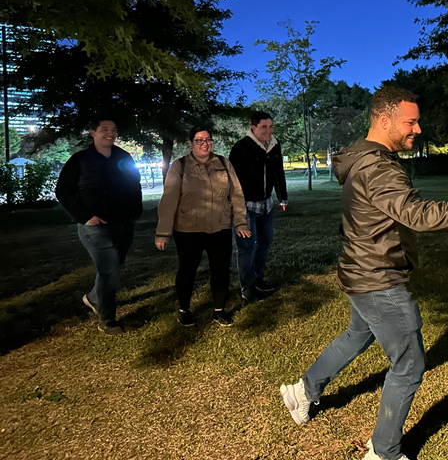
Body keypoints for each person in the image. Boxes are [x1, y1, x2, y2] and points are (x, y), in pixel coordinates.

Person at [279, 86, 448, 460]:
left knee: (356, 336)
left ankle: (302, 392)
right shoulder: (380, 167)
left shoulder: (363, 159)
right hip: (378, 278)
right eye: (411, 122)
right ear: (384, 120)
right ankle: (383, 451)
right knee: (411, 363)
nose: (417, 129)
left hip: (358, 270)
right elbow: (420, 215)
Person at [155, 126, 251, 327]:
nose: (204, 144)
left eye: (208, 140)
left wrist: (241, 221)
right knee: (187, 270)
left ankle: (219, 310)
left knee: (221, 270)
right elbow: (169, 200)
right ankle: (184, 310)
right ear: (191, 143)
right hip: (188, 229)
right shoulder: (180, 166)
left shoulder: (224, 164)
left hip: (220, 227)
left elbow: (237, 194)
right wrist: (163, 232)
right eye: (199, 140)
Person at [56, 119, 142, 335]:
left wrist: (135, 212)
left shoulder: (123, 156)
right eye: (104, 130)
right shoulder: (80, 160)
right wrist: (85, 217)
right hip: (95, 226)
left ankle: (94, 298)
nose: (110, 134)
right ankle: (108, 319)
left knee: (115, 266)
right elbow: (63, 191)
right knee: (109, 268)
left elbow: (134, 184)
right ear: (92, 132)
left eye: (114, 129)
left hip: (123, 222)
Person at [229, 111, 288, 301]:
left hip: (266, 205)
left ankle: (259, 278)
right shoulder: (241, 148)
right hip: (246, 206)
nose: (269, 131)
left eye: (271, 127)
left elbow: (278, 171)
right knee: (246, 246)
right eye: (264, 127)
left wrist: (282, 197)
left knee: (265, 242)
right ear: (253, 128)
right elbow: (232, 181)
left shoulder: (274, 146)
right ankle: (248, 287)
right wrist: (239, 212)